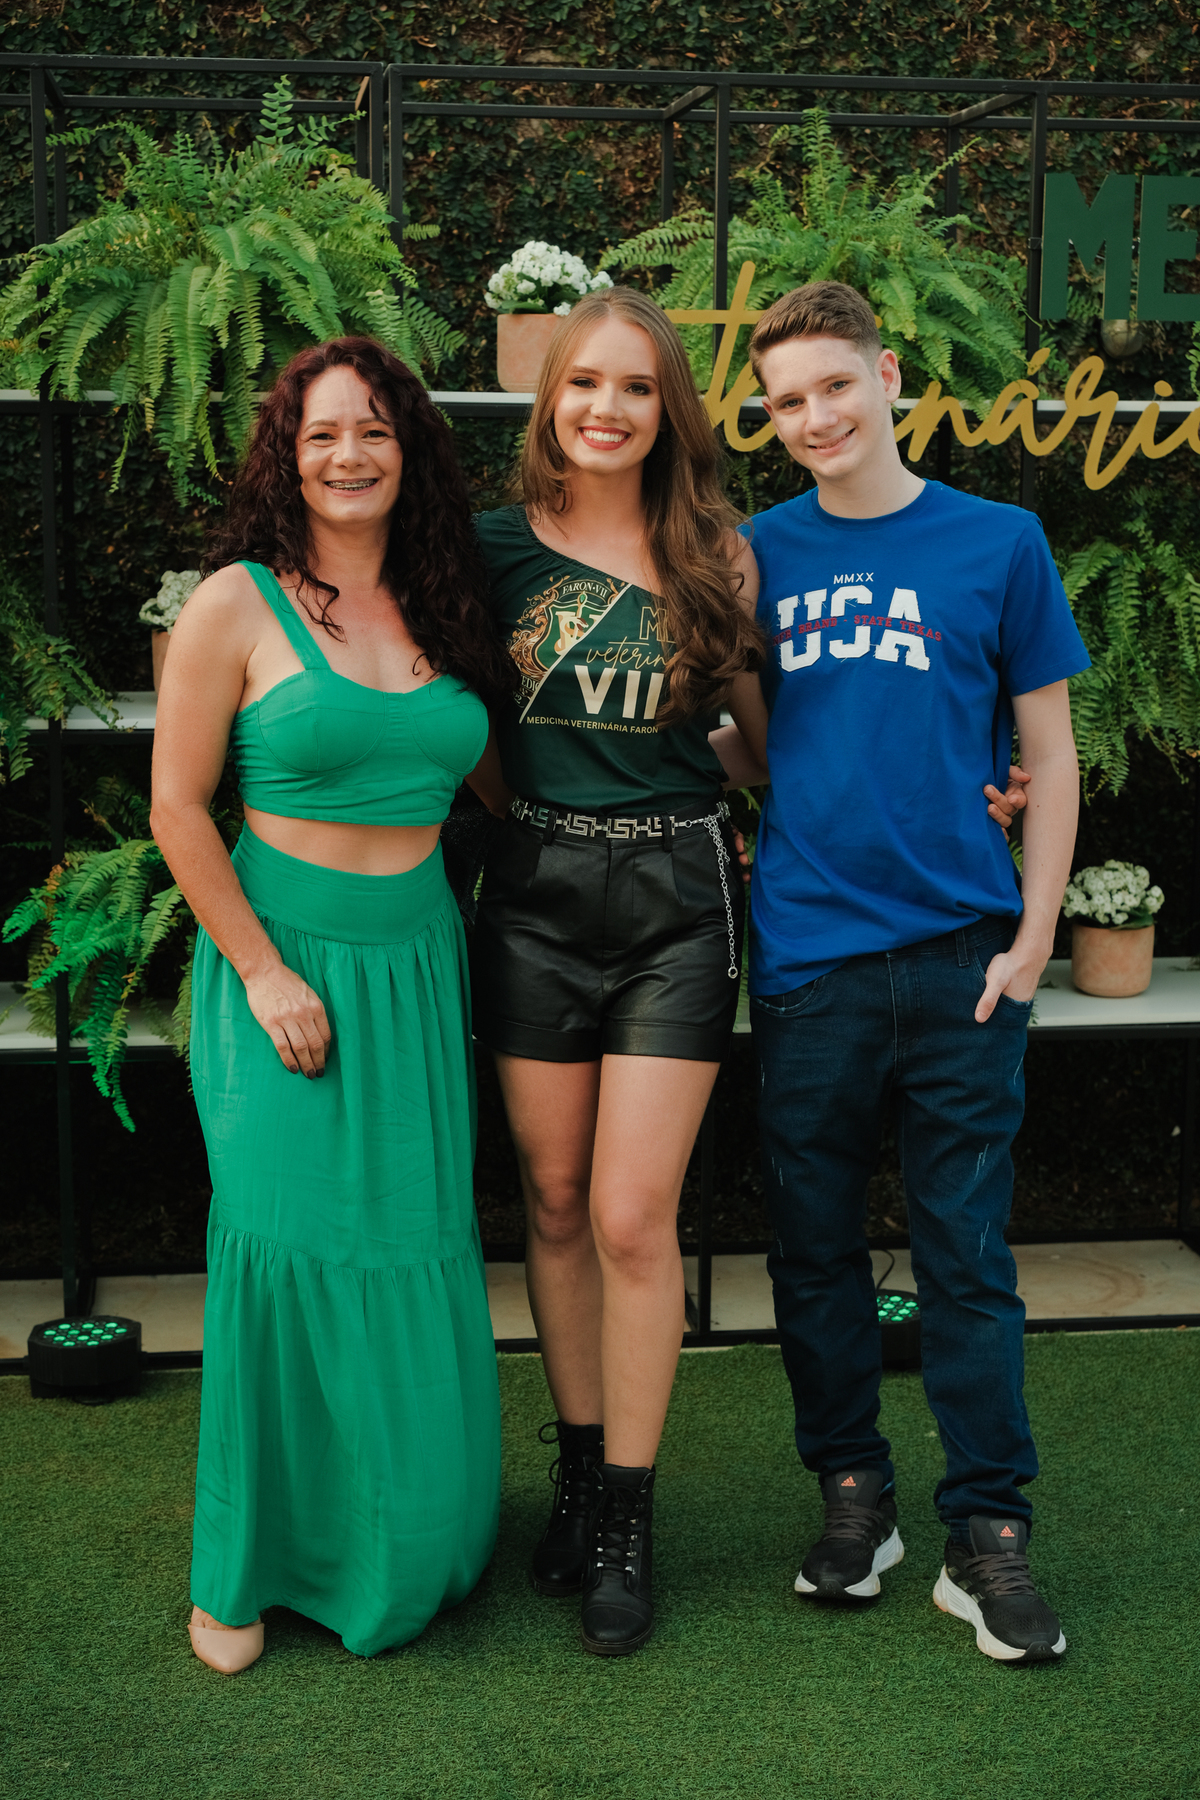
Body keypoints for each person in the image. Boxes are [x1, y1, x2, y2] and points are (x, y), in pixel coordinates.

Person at [151, 337, 514, 1672]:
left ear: (408, 449)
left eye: (372, 430)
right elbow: (177, 809)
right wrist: (261, 971)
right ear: (286, 457)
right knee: (285, 1246)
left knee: (409, 1243)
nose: (348, 455)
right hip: (280, 964)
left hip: (416, 960)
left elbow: (506, 777)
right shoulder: (234, 605)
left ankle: (405, 1543)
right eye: (321, 435)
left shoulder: (449, 600)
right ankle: (242, 1576)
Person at [739, 281, 1087, 1664]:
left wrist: (1036, 931)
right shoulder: (756, 553)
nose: (815, 417)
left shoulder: (999, 541)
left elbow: (1048, 751)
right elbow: (756, 746)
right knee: (814, 1249)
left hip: (964, 959)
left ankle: (987, 1533)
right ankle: (854, 1500)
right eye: (787, 401)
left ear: (889, 378)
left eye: (836, 385)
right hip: (811, 957)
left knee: (966, 1254)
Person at [465, 287, 766, 1656]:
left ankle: (630, 1519)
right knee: (554, 1198)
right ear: (552, 399)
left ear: (668, 410)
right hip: (533, 896)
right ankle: (579, 1477)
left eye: (636, 387)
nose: (606, 407)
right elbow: (452, 723)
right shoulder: (488, 552)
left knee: (636, 1217)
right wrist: (521, 811)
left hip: (677, 901)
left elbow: (763, 747)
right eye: (584, 381)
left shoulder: (718, 555)